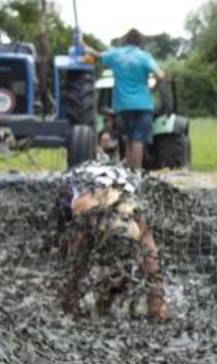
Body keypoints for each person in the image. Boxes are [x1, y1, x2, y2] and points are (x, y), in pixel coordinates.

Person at [57, 162, 168, 322]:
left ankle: (106, 298)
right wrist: (70, 303)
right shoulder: (85, 222)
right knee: (68, 255)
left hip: (115, 183)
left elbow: (153, 268)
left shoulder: (138, 223)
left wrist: (157, 304)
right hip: (80, 184)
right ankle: (102, 298)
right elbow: (72, 271)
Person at [86, 29, 164, 170]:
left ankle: (128, 173)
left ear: (125, 40)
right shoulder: (144, 57)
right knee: (138, 140)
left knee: (128, 139)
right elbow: (160, 75)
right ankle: (137, 172)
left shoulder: (116, 54)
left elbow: (97, 55)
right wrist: (153, 88)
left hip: (123, 106)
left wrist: (84, 46)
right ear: (140, 42)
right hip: (143, 104)